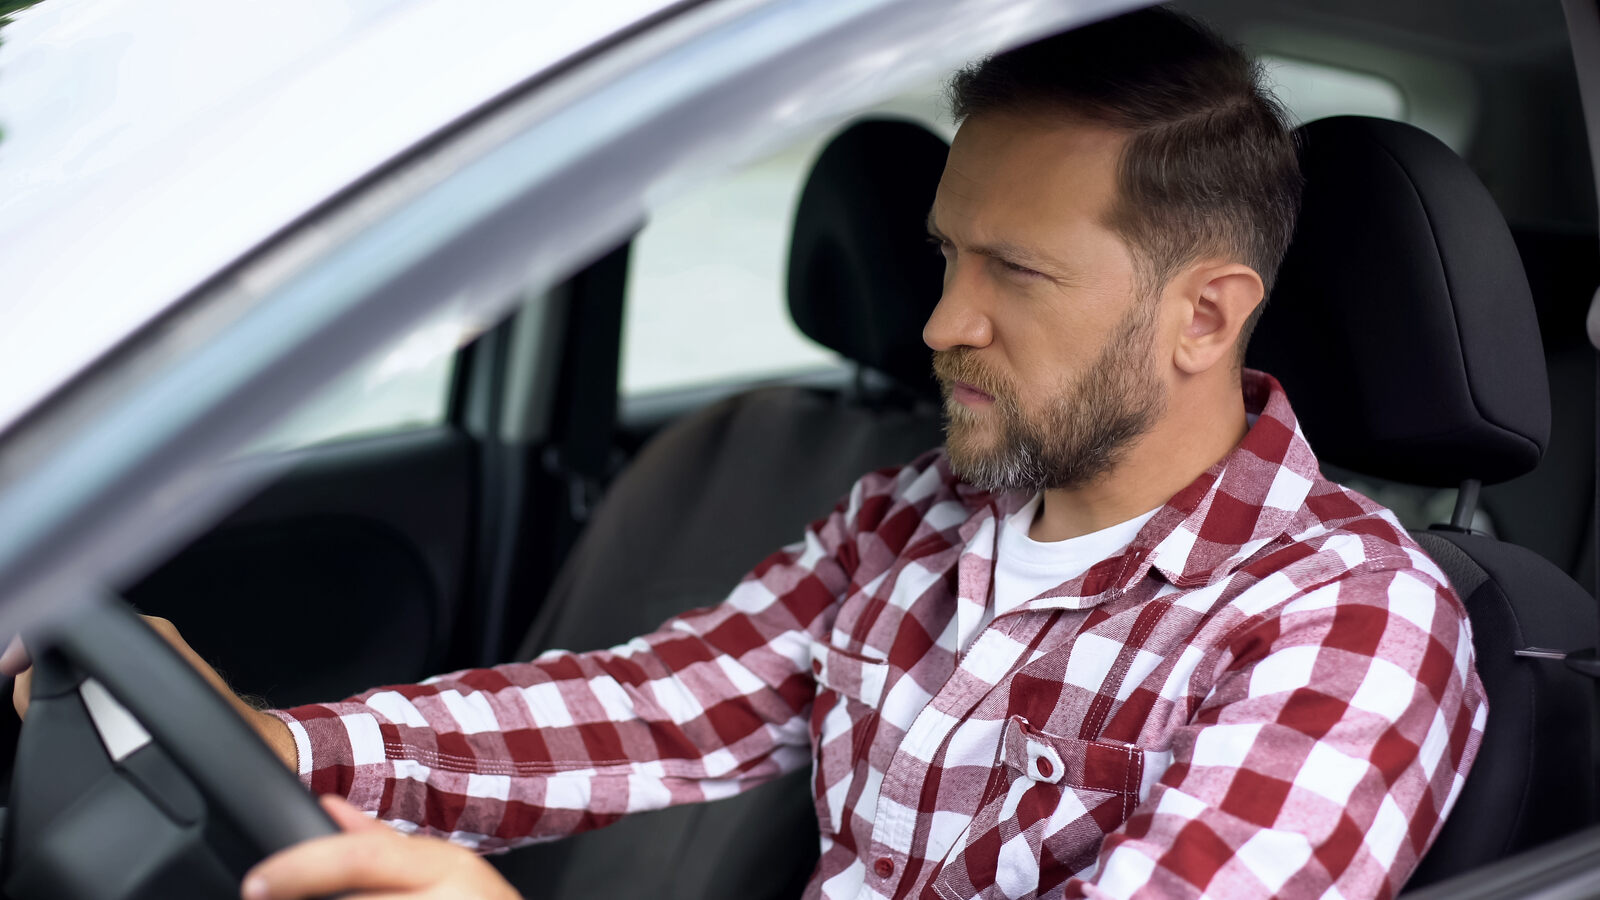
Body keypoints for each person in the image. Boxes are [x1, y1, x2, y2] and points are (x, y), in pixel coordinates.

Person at [7, 7, 1486, 899]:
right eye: (943, 257)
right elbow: (660, 710)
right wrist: (293, 745)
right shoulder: (918, 516)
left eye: (1014, 275)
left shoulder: (1347, 626)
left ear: (1203, 317)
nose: (940, 324)